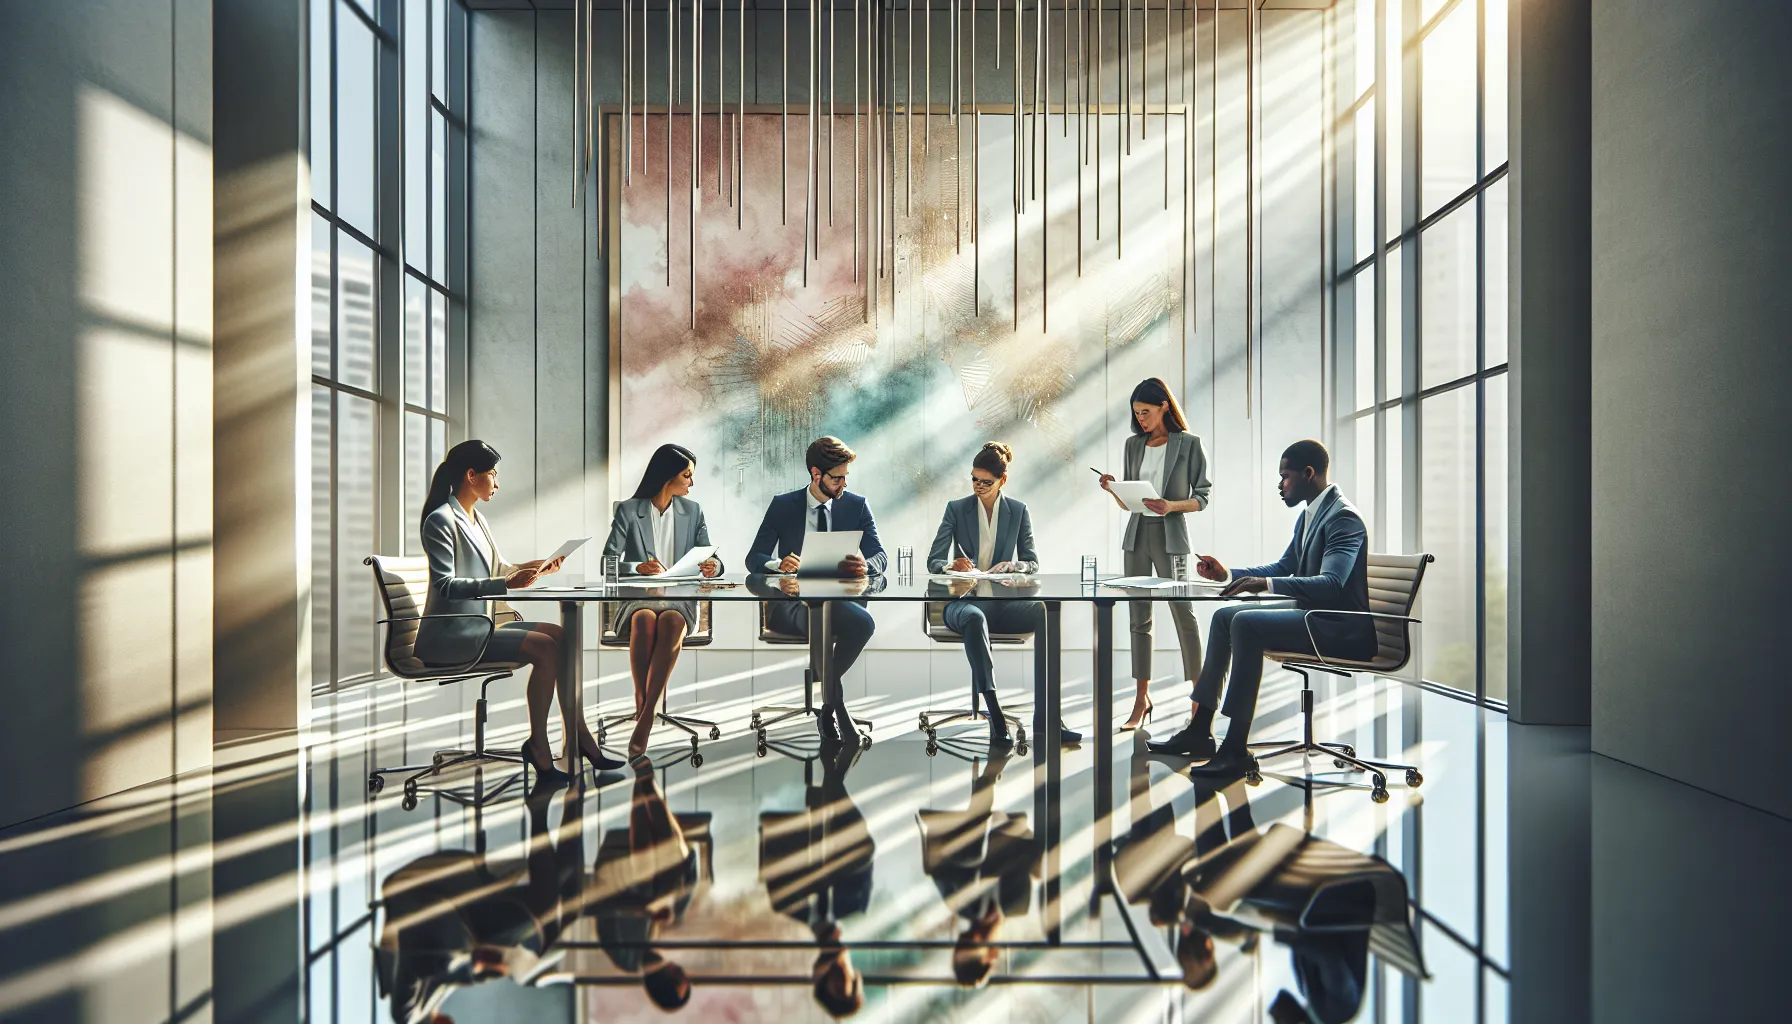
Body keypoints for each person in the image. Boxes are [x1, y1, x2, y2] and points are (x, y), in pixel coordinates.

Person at [1148, 439, 1379, 780]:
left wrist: (1265, 586)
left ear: (1308, 473)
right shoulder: (1311, 515)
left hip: (1339, 630)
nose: (1280, 485)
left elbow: (1331, 583)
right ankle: (1200, 730)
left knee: (1246, 624)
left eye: (1285, 476)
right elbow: (1287, 565)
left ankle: (1236, 750)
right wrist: (1229, 574)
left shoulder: (1343, 519)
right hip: (1314, 620)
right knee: (1226, 615)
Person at [416, 440, 621, 779]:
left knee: (561, 635)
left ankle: (578, 734)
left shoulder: (476, 518)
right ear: (472, 475)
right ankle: (539, 745)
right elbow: (445, 585)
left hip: (478, 624)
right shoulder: (441, 521)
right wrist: (507, 584)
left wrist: (536, 567)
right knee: (544, 647)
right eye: (493, 475)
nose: (497, 483)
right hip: (451, 634)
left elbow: (498, 567)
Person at [374, 783, 585, 1023]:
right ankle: (569, 791)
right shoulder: (430, 1007)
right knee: (565, 909)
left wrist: (472, 960)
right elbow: (448, 972)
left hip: (442, 905)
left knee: (548, 913)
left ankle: (557, 798)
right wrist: (480, 969)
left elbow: (416, 948)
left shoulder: (407, 1016)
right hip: (463, 921)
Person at [926, 441, 1080, 748]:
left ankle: (1048, 717)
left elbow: (1033, 561)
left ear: (1002, 481)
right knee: (973, 617)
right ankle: (995, 714)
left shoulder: (1018, 511)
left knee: (1045, 612)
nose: (978, 487)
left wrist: (1014, 565)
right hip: (962, 603)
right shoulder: (956, 509)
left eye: (986, 482)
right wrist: (950, 565)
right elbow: (933, 559)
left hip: (1001, 602)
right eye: (974, 479)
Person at [746, 436, 886, 743]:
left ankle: (827, 705)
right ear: (816, 474)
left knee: (864, 623)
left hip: (843, 605)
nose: (843, 485)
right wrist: (777, 564)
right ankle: (838, 709)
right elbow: (753, 558)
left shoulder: (856, 505)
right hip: (794, 606)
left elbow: (880, 555)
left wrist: (866, 565)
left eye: (846, 477)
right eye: (837, 478)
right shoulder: (784, 506)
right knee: (835, 615)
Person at [1096, 378, 1214, 731]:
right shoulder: (1133, 445)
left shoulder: (1190, 445)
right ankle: (1141, 699)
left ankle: (1200, 698)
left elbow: (1203, 497)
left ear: (1165, 406)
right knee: (1139, 619)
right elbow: (1130, 504)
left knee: (1184, 616)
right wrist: (1113, 489)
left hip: (1171, 537)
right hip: (1137, 537)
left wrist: (1170, 505)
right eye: (1136, 414)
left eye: (1145, 412)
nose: (1141, 419)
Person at [602, 444, 724, 758]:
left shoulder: (693, 511)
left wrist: (713, 566)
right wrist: (637, 567)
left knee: (669, 620)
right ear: (668, 476)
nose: (691, 483)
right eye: (687, 475)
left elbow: (712, 557)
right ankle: (645, 707)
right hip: (639, 599)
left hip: (680, 601)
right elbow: (608, 564)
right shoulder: (629, 510)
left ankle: (643, 719)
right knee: (644, 619)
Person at [758, 737, 874, 1018]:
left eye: (830, 974)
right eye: (842, 972)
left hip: (793, 806)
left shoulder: (786, 907)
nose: (836, 963)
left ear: (817, 974)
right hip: (836, 827)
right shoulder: (856, 904)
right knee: (857, 842)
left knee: (835, 808)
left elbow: (774, 840)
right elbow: (864, 854)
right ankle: (833, 767)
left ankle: (836, 762)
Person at [588, 757, 705, 1012]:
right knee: (673, 874)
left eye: (675, 974)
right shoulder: (657, 936)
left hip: (615, 871)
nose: (675, 965)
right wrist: (671, 906)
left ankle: (645, 777)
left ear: (664, 980)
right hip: (640, 864)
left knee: (658, 873)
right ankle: (643, 774)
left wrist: (646, 909)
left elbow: (603, 906)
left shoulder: (625, 956)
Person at [914, 752, 1038, 989]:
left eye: (958, 951)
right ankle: (987, 781)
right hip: (1005, 834)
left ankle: (987, 780)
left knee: (970, 861)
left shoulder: (961, 907)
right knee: (973, 860)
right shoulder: (1016, 907)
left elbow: (938, 870)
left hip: (972, 839)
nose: (962, 945)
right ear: (988, 955)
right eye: (969, 953)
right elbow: (1023, 858)